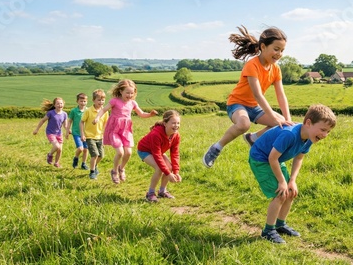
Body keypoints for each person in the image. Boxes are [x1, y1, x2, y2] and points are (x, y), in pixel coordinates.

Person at [203, 25, 293, 168]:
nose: (279, 54)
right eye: (276, 49)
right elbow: (257, 94)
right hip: (236, 104)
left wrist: (287, 119)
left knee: (282, 122)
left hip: (254, 107)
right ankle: (216, 148)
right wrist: (273, 116)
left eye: (282, 50)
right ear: (263, 47)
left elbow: (281, 95)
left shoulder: (276, 68)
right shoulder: (252, 65)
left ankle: (253, 138)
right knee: (244, 124)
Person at [249, 104, 336, 244]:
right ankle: (268, 231)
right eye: (323, 130)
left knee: (290, 191)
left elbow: (299, 158)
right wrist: (282, 181)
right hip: (261, 159)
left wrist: (292, 181)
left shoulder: (309, 138)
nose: (325, 135)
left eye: (328, 132)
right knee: (281, 193)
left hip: (276, 159)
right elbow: (272, 158)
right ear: (308, 123)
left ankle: (280, 224)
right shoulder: (289, 134)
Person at [93, 79, 158, 184]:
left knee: (128, 152)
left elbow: (141, 114)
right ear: (121, 91)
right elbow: (103, 110)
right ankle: (114, 171)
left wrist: (150, 114)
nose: (130, 95)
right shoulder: (115, 101)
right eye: (127, 92)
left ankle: (121, 168)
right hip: (114, 130)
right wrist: (97, 118)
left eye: (132, 93)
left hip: (126, 130)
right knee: (120, 152)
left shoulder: (133, 103)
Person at [137, 110, 182, 202]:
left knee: (169, 167)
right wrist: (168, 174)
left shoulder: (176, 136)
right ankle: (150, 193)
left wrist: (176, 172)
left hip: (158, 151)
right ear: (165, 123)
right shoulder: (156, 134)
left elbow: (175, 153)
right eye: (173, 123)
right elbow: (157, 155)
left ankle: (162, 191)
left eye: (178, 123)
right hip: (144, 150)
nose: (176, 125)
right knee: (160, 168)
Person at [80, 89, 109, 179]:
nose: (101, 102)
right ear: (93, 100)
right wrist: (82, 134)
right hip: (89, 136)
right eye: (99, 100)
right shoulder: (88, 111)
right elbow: (81, 122)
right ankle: (92, 172)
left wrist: (105, 136)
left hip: (100, 136)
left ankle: (94, 165)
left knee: (101, 155)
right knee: (95, 154)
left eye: (103, 100)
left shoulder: (105, 111)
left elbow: (105, 124)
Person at [33, 97, 68, 168]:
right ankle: (50, 154)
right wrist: (36, 129)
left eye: (61, 103)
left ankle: (56, 163)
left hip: (59, 133)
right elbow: (42, 120)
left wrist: (68, 130)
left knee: (60, 149)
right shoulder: (50, 113)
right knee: (56, 146)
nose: (60, 105)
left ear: (63, 104)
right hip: (50, 133)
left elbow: (65, 125)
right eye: (58, 103)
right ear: (54, 105)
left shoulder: (64, 114)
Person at [65, 93, 89, 170]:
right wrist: (67, 131)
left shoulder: (88, 110)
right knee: (81, 148)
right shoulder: (74, 111)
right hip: (76, 133)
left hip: (86, 134)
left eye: (84, 101)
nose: (83, 103)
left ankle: (83, 164)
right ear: (77, 101)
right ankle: (76, 158)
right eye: (81, 101)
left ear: (87, 102)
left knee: (86, 149)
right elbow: (69, 121)